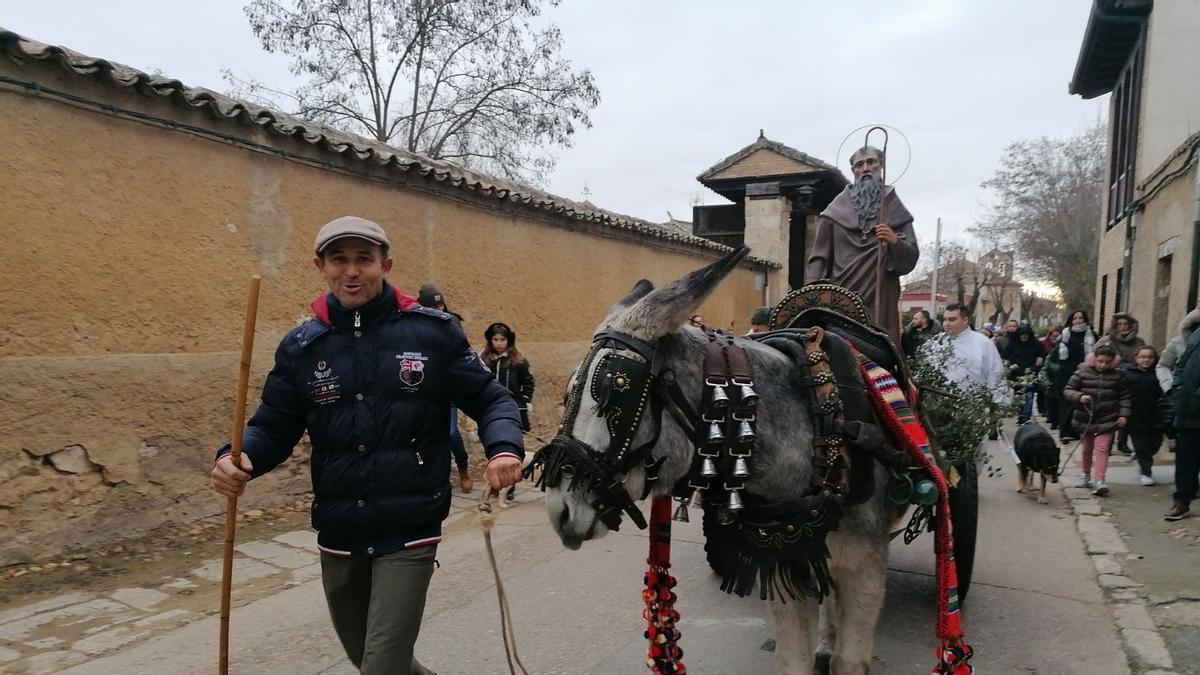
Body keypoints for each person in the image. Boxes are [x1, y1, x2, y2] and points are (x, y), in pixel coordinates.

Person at [210, 216, 525, 675]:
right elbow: (273, 426)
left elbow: (492, 399)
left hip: (409, 526)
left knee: (380, 668)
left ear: (386, 265)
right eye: (339, 259)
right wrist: (237, 457)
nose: (352, 271)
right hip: (339, 530)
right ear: (321, 267)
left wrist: (504, 448)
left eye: (364, 259)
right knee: (370, 659)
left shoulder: (432, 334)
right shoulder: (303, 347)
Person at [805, 145, 919, 340]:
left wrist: (894, 242)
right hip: (842, 296)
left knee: (879, 345)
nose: (865, 168)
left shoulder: (893, 206)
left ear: (881, 164)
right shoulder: (834, 212)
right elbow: (819, 259)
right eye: (859, 164)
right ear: (853, 170)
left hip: (880, 296)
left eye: (871, 162)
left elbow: (910, 257)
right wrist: (811, 298)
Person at [417, 283, 473, 493]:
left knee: (451, 433)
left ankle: (463, 468)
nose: (439, 310)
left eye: (440, 305)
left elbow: (462, 354)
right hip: (425, 390)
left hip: (448, 388)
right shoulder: (415, 324)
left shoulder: (452, 323)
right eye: (433, 307)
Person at [1062, 344, 1130, 497]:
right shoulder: (1082, 371)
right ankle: (1085, 474)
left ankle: (1100, 480)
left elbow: (1124, 396)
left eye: (1107, 362)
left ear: (1113, 362)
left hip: (1108, 418)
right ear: (1094, 359)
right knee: (1087, 449)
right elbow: (1068, 390)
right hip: (1086, 417)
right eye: (1100, 361)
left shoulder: (1118, 375)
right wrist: (1080, 397)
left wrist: (1123, 414)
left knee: (1102, 448)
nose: (1103, 365)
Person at [924, 303, 1007, 404]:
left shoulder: (983, 342)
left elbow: (996, 373)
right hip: (939, 403)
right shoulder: (937, 343)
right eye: (945, 319)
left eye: (952, 319)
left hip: (973, 404)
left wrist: (998, 403)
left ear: (965, 320)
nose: (946, 323)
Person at [1166, 310, 1200, 520]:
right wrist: (1177, 387)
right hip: (1187, 410)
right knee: (1185, 460)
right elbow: (1181, 364)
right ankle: (1182, 501)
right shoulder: (1196, 334)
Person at [1123, 346, 1166, 486]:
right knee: (1141, 445)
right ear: (1136, 358)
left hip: (1155, 415)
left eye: (1149, 357)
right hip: (1135, 416)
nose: (1146, 360)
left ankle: (1141, 456)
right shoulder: (1127, 373)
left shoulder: (1159, 373)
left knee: (1155, 444)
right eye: (1142, 357)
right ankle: (1146, 473)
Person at [1055, 310, 1097, 442]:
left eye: (1081, 318)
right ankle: (1065, 431)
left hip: (1085, 372)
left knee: (1080, 402)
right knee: (1066, 402)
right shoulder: (1065, 334)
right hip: (1066, 373)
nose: (1078, 320)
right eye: (1075, 318)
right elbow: (1058, 355)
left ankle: (1076, 431)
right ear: (1071, 320)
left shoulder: (1092, 335)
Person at [1001, 323, 1046, 424]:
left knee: (1029, 394)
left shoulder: (1036, 344)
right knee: (1019, 395)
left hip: (1030, 372)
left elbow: (1041, 357)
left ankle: (1026, 416)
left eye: (1026, 335)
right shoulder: (1013, 343)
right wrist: (1010, 365)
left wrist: (1036, 366)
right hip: (1016, 373)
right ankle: (1021, 415)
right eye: (1022, 334)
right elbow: (1005, 355)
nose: (1024, 337)